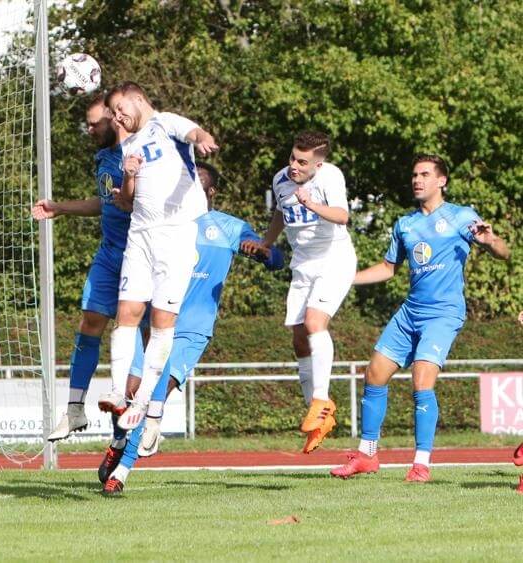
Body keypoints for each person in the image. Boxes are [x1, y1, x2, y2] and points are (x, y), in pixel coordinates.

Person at [101, 164, 284, 494]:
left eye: (196, 186)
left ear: (211, 192)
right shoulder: (164, 222)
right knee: (128, 393)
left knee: (156, 387)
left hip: (192, 331)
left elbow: (275, 258)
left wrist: (263, 252)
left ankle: (122, 472)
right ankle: (118, 439)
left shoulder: (229, 228)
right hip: (154, 326)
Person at [330, 155, 510, 482]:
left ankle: (421, 463)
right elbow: (388, 269)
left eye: (425, 174)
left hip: (443, 313)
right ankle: (367, 454)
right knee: (374, 374)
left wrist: (491, 241)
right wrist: (346, 279)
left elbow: (504, 252)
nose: (417, 180)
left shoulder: (461, 216)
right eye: (414, 174)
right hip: (410, 311)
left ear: (441, 181)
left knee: (422, 379)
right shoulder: (405, 225)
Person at [102, 81, 219, 432]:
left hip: (176, 234)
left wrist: (201, 138)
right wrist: (129, 175)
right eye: (114, 113)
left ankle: (143, 401)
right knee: (126, 314)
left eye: (121, 108)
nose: (118, 117)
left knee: (162, 320)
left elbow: (193, 131)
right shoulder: (130, 145)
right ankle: (118, 392)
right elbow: (125, 200)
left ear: (138, 99)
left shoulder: (164, 122)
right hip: (140, 233)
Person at [32, 94, 146, 442]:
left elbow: (134, 203)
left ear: (117, 118)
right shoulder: (103, 157)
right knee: (90, 322)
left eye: (95, 122)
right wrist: (60, 207)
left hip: (141, 256)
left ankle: (136, 415)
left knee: (137, 334)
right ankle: (75, 410)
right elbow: (106, 202)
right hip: (109, 254)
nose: (90, 128)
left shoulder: (142, 152)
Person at [248, 131, 355, 453]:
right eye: (292, 158)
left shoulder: (331, 176)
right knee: (298, 336)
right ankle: (318, 414)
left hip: (333, 259)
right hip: (303, 264)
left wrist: (312, 203)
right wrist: (266, 244)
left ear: (318, 164)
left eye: (302, 162)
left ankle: (322, 400)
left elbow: (343, 215)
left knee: (314, 323)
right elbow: (281, 212)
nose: (294, 166)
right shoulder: (281, 178)